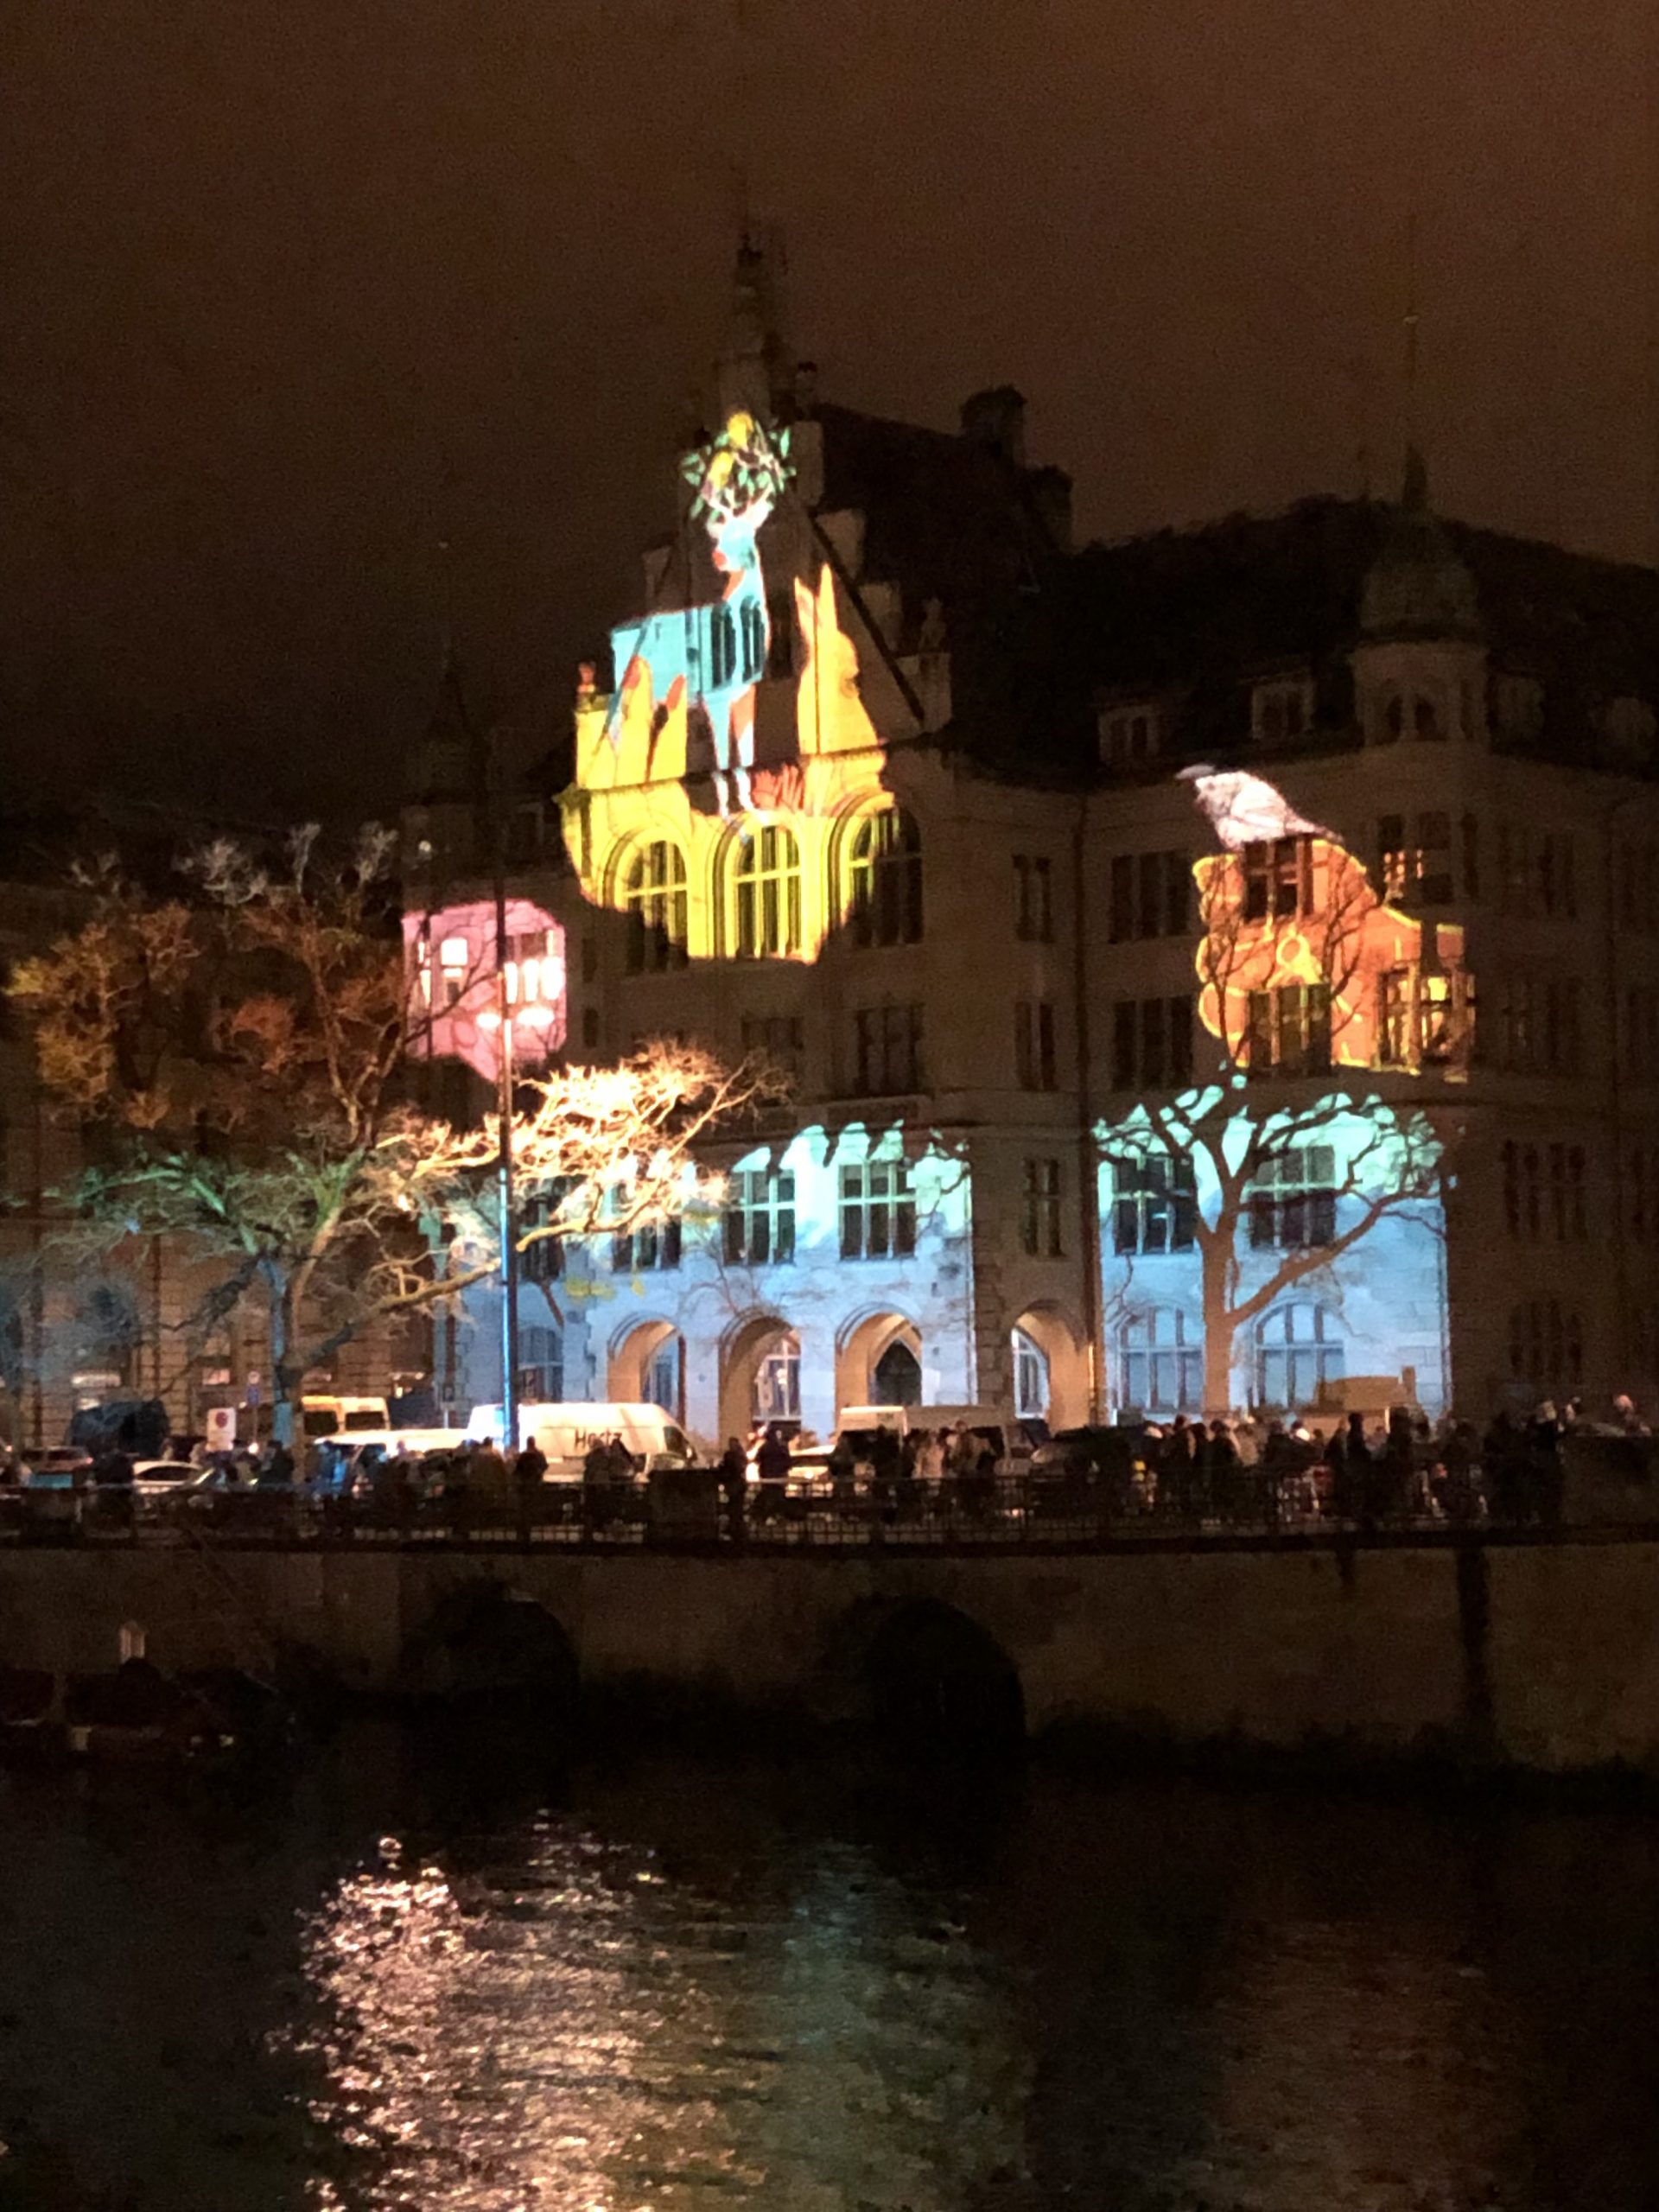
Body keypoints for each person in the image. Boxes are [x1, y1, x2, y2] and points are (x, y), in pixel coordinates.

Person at [754, 1424, 791, 1523]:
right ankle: (777, 1516)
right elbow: (788, 1462)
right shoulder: (781, 1448)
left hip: (767, 1478)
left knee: (768, 1497)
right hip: (779, 1478)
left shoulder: (764, 1448)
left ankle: (767, 1516)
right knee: (779, 1497)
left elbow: (757, 1460)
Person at [515, 1434, 548, 1544]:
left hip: (524, 1486)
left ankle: (524, 1531)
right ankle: (532, 1527)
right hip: (536, 1484)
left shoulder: (523, 1455)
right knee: (534, 1507)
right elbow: (545, 1466)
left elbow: (517, 1471)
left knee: (524, 1509)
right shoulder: (539, 1454)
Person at [718, 1437, 749, 1542]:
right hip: (738, 1485)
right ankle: (738, 1531)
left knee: (734, 1509)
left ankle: (735, 1530)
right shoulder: (741, 1455)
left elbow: (727, 1468)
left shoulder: (731, 1455)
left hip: (734, 1485)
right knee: (737, 1509)